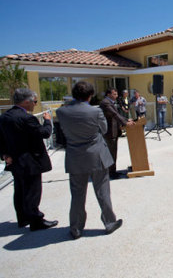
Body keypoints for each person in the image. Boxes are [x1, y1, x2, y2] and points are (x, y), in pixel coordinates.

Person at [57, 82, 124, 239]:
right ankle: (109, 222)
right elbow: (104, 129)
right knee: (102, 190)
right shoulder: (95, 112)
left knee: (77, 194)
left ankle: (76, 228)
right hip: (96, 155)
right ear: (90, 95)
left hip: (75, 156)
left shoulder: (61, 111)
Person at [0, 88, 58, 231]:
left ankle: (23, 218)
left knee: (20, 191)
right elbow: (44, 133)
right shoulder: (27, 118)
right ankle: (36, 221)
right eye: (34, 101)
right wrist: (48, 121)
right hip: (30, 161)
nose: (35, 104)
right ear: (26, 102)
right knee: (33, 191)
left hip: (15, 161)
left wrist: (4, 155)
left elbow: (1, 139)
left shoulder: (4, 116)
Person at [100, 88, 135, 179]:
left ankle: (112, 171)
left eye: (116, 94)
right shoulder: (105, 103)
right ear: (108, 94)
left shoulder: (111, 102)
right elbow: (114, 114)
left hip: (114, 131)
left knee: (113, 153)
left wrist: (127, 119)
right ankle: (110, 173)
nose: (116, 96)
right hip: (109, 132)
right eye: (114, 94)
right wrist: (126, 123)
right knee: (111, 153)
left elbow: (117, 114)